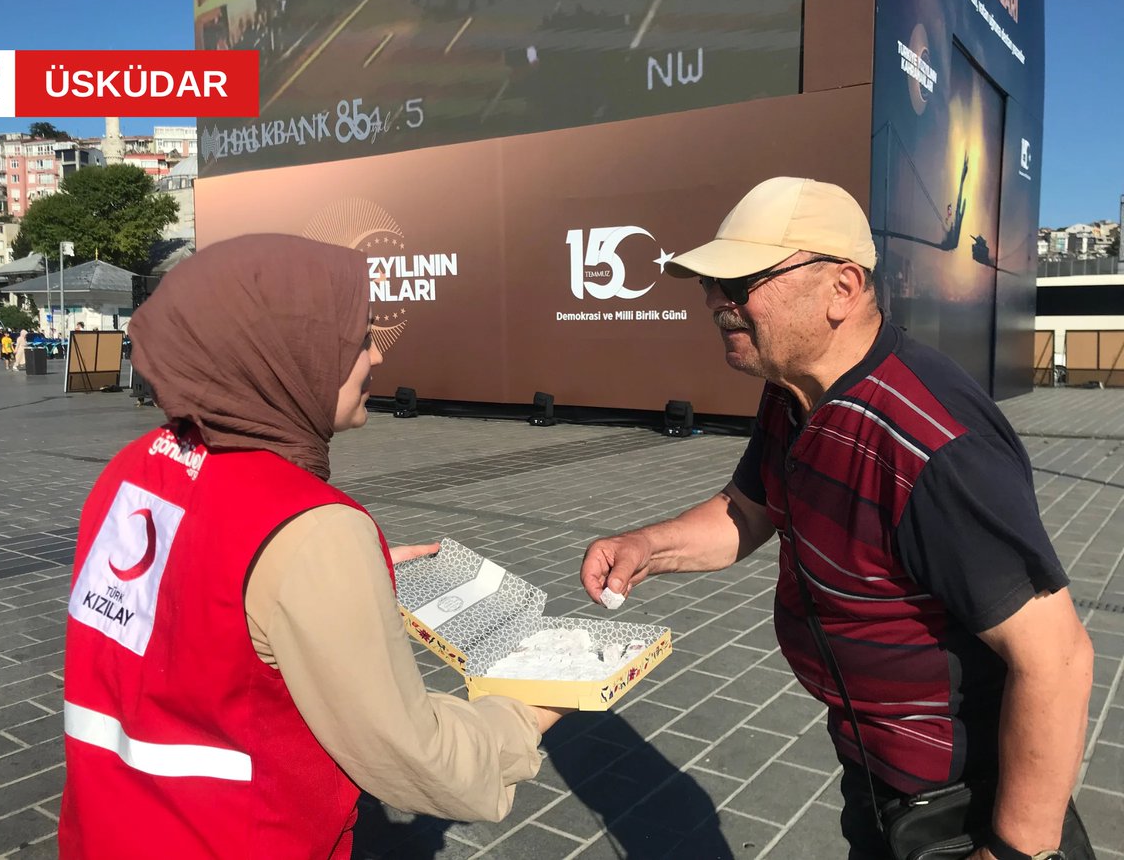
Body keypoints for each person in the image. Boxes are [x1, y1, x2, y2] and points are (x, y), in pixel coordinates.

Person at [580, 178, 1095, 860]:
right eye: (711, 282)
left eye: (741, 282)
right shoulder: (791, 394)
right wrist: (646, 546)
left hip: (963, 808)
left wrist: (1012, 848)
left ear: (842, 289)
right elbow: (748, 511)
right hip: (877, 783)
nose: (715, 301)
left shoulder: (933, 443)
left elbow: (1057, 659)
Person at [59, 234, 567, 859]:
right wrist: (524, 714)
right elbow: (414, 754)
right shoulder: (312, 530)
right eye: (353, 341)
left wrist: (338, 582)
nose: (375, 359)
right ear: (282, 356)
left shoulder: (132, 467)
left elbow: (194, 606)